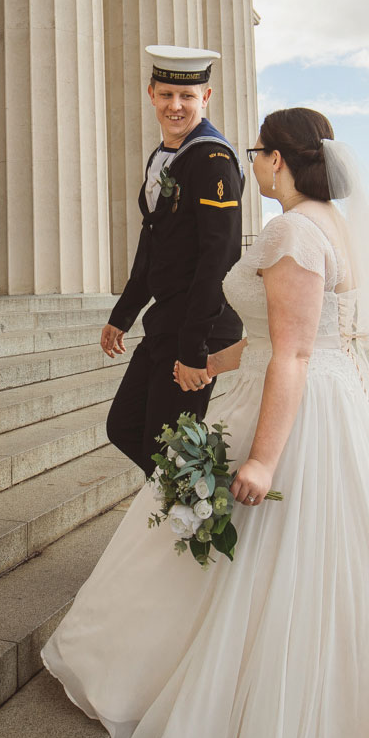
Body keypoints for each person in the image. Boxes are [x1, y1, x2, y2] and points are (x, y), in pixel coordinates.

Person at [44, 107, 369, 738]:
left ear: (284, 159)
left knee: (248, 551)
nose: (253, 162)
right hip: (325, 397)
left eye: (260, 152)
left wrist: (262, 456)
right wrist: (210, 363)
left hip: (297, 409)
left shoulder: (294, 230)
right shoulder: (334, 225)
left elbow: (294, 351)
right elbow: (288, 340)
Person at [100, 45, 246, 476]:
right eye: (166, 95)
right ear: (151, 95)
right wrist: (123, 314)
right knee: (125, 427)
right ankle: (189, 509)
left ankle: (202, 515)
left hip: (196, 326)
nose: (175, 106)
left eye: (187, 97)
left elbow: (217, 259)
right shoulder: (163, 155)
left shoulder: (213, 159)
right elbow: (154, 243)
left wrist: (194, 350)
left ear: (207, 97)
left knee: (169, 450)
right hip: (167, 320)